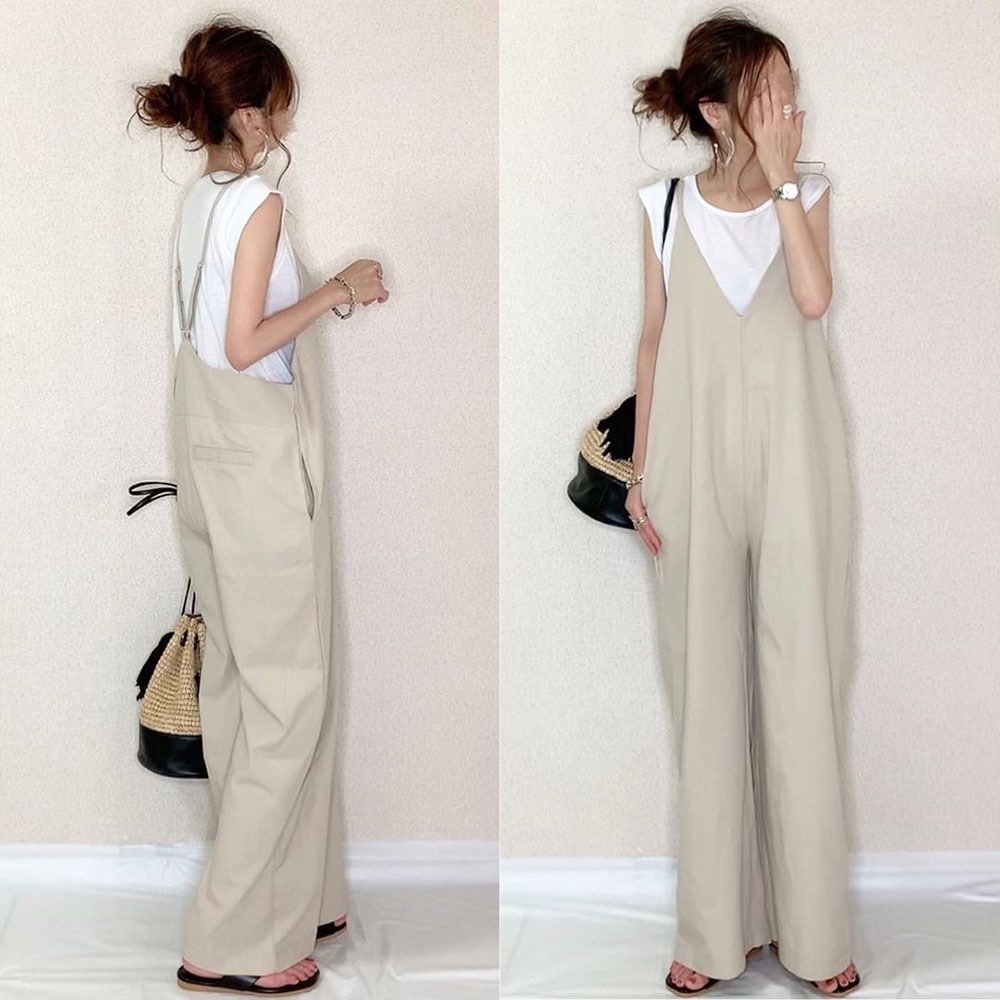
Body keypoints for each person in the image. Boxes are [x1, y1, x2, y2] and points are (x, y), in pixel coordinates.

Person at [132, 15, 388, 997]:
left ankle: (298, 891)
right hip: (255, 463)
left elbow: (207, 342)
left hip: (207, 455)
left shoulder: (199, 199)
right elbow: (245, 344)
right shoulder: (259, 203)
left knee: (248, 685)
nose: (286, 118)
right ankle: (233, 940)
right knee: (290, 692)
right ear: (247, 113)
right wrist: (337, 292)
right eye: (278, 103)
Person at [627, 11, 860, 998]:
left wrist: (784, 180)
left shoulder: (809, 194)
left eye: (789, 87)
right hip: (689, 466)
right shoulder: (663, 206)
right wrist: (640, 472)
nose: (788, 105)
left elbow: (812, 298)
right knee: (706, 696)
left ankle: (815, 936)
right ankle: (716, 932)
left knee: (800, 687)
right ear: (719, 110)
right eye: (768, 92)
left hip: (797, 464)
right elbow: (652, 339)